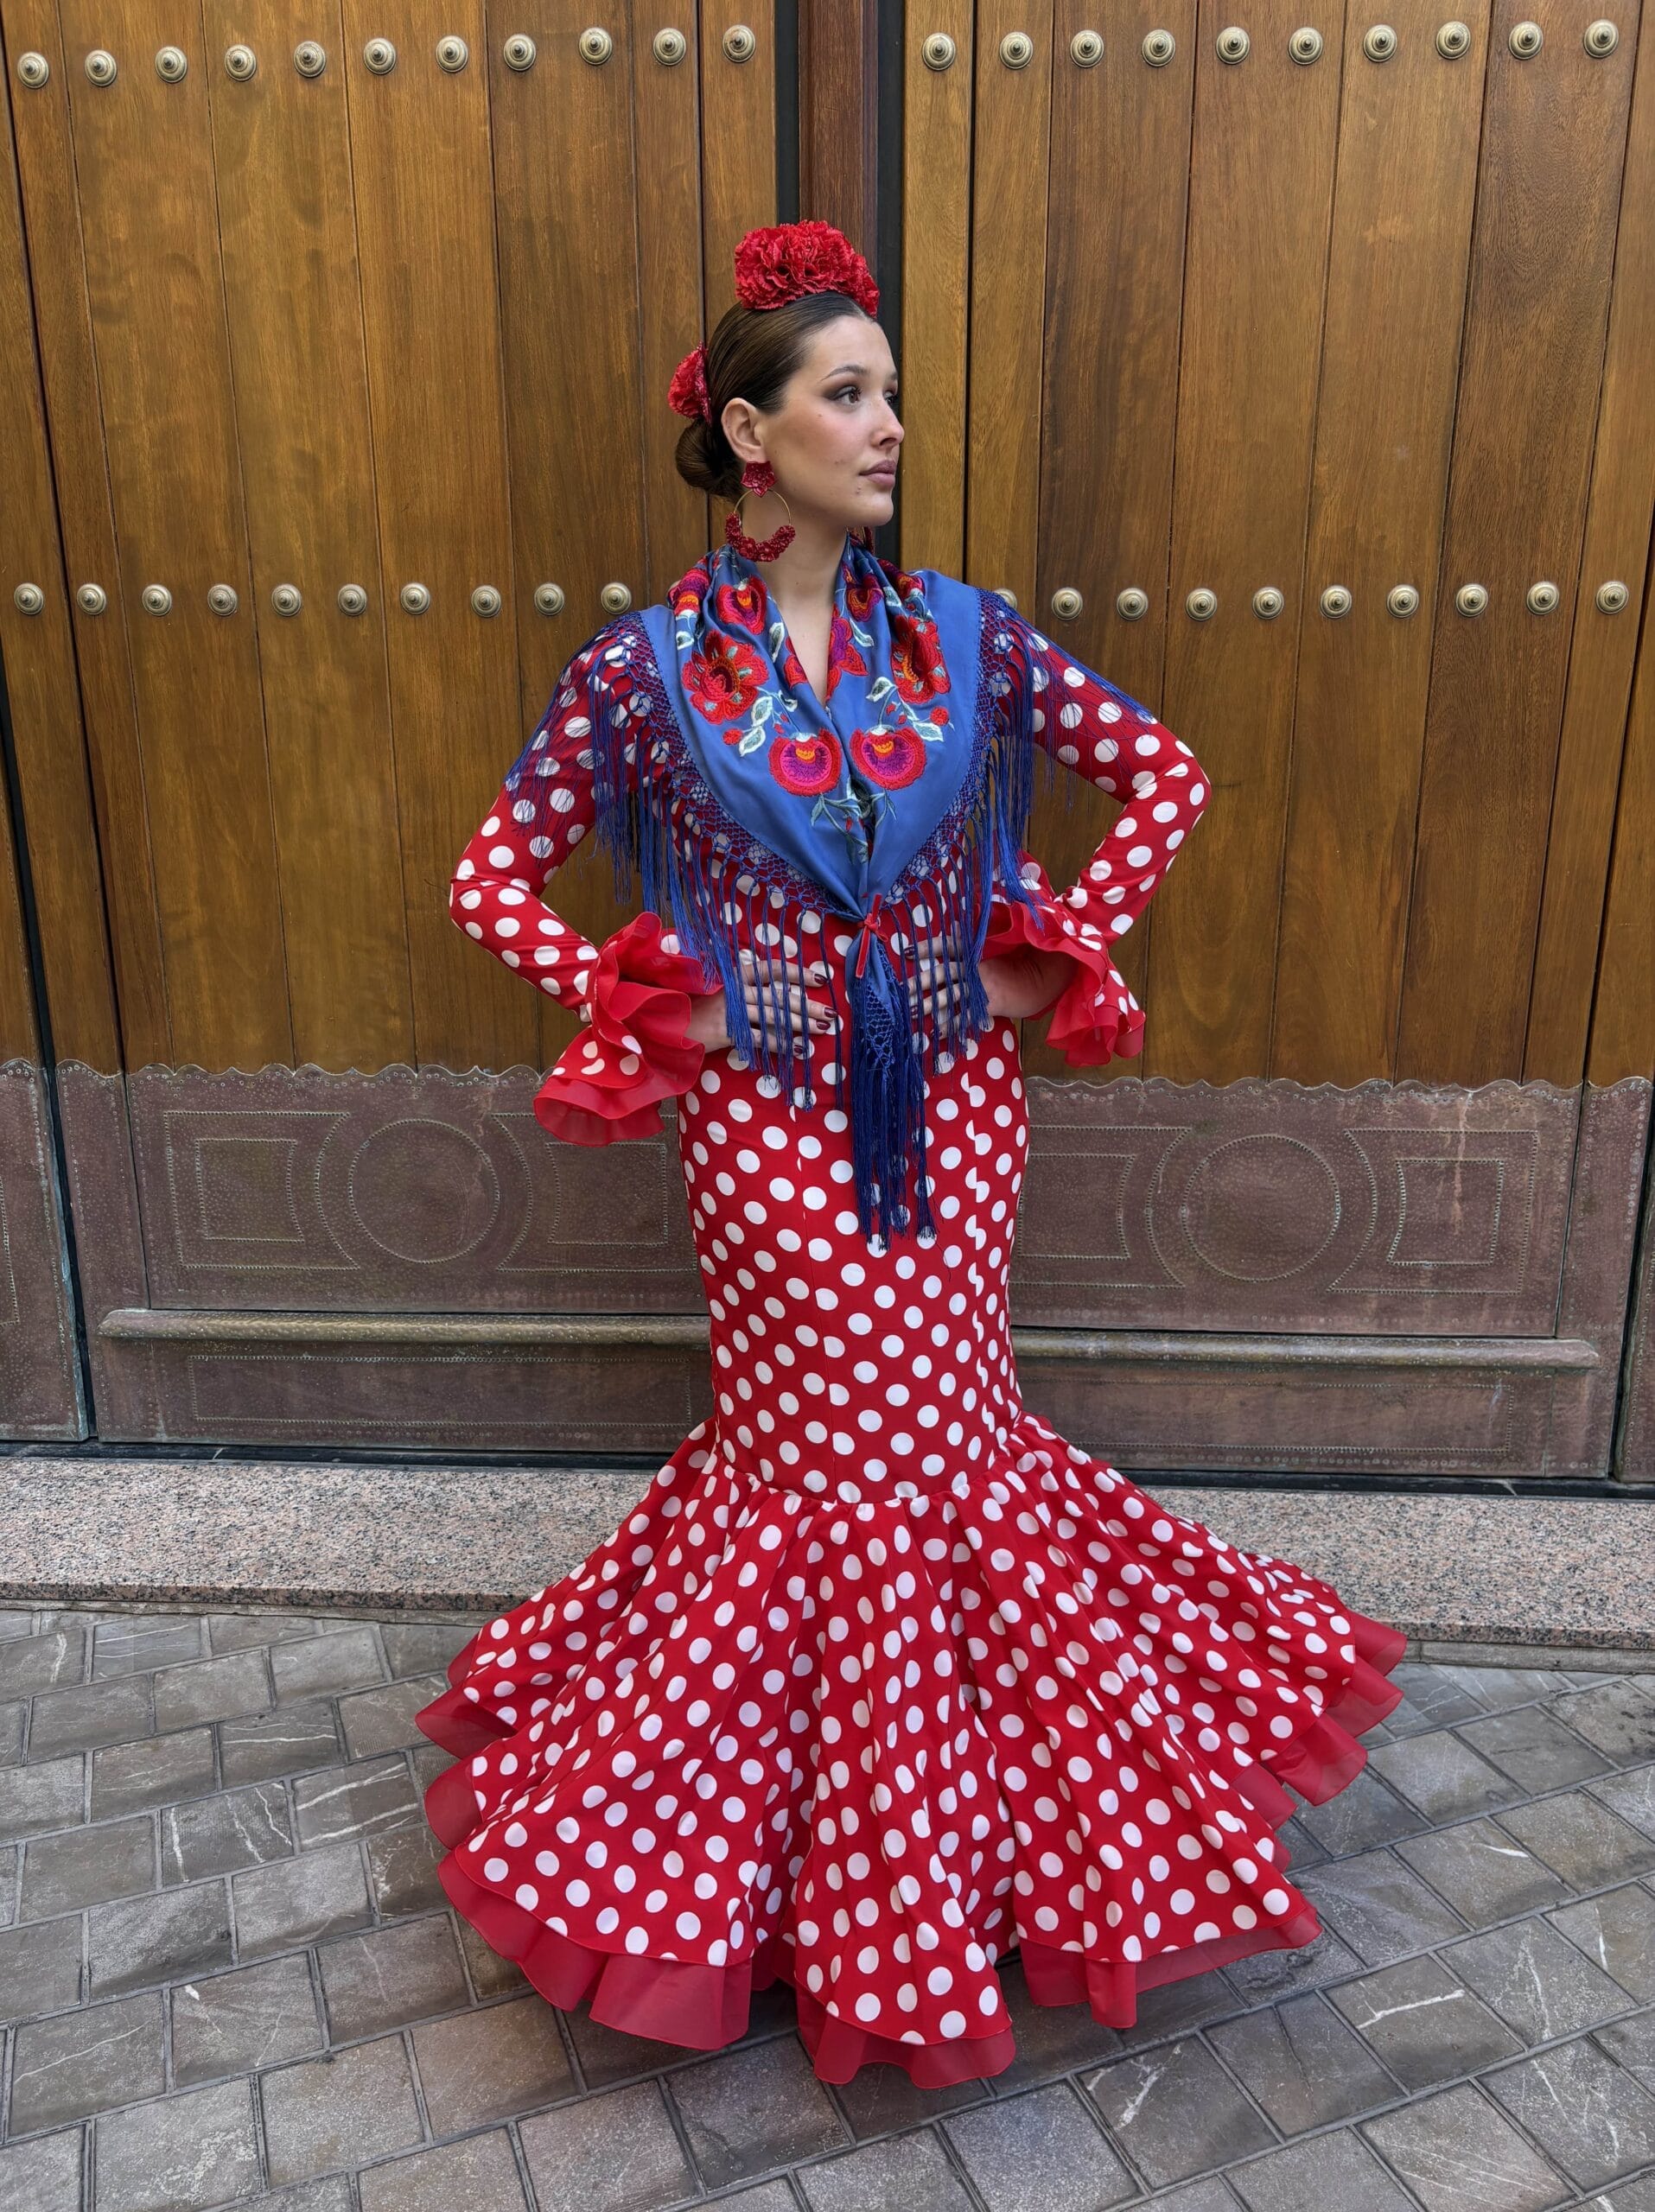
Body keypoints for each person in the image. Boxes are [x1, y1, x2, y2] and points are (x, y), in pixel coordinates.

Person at [414, 220, 1406, 2088]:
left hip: (954, 1114)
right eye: (847, 393)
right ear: (745, 429)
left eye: (891, 394)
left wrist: (1052, 948)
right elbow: (492, 877)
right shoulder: (638, 676)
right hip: (763, 1142)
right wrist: (656, 1001)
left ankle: (954, 1859)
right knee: (823, 1472)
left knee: (950, 1443)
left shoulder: (963, 639)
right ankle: (807, 1882)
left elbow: (1163, 774)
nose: (887, 427)